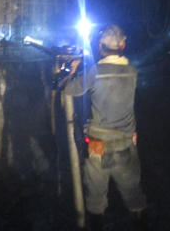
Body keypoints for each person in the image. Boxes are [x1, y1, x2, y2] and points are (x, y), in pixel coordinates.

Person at [63, 25, 147, 231]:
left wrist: (71, 69)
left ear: (101, 47)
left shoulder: (94, 72)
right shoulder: (132, 71)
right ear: (122, 46)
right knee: (133, 194)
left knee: (95, 198)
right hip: (125, 142)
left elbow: (69, 88)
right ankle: (140, 224)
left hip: (97, 146)